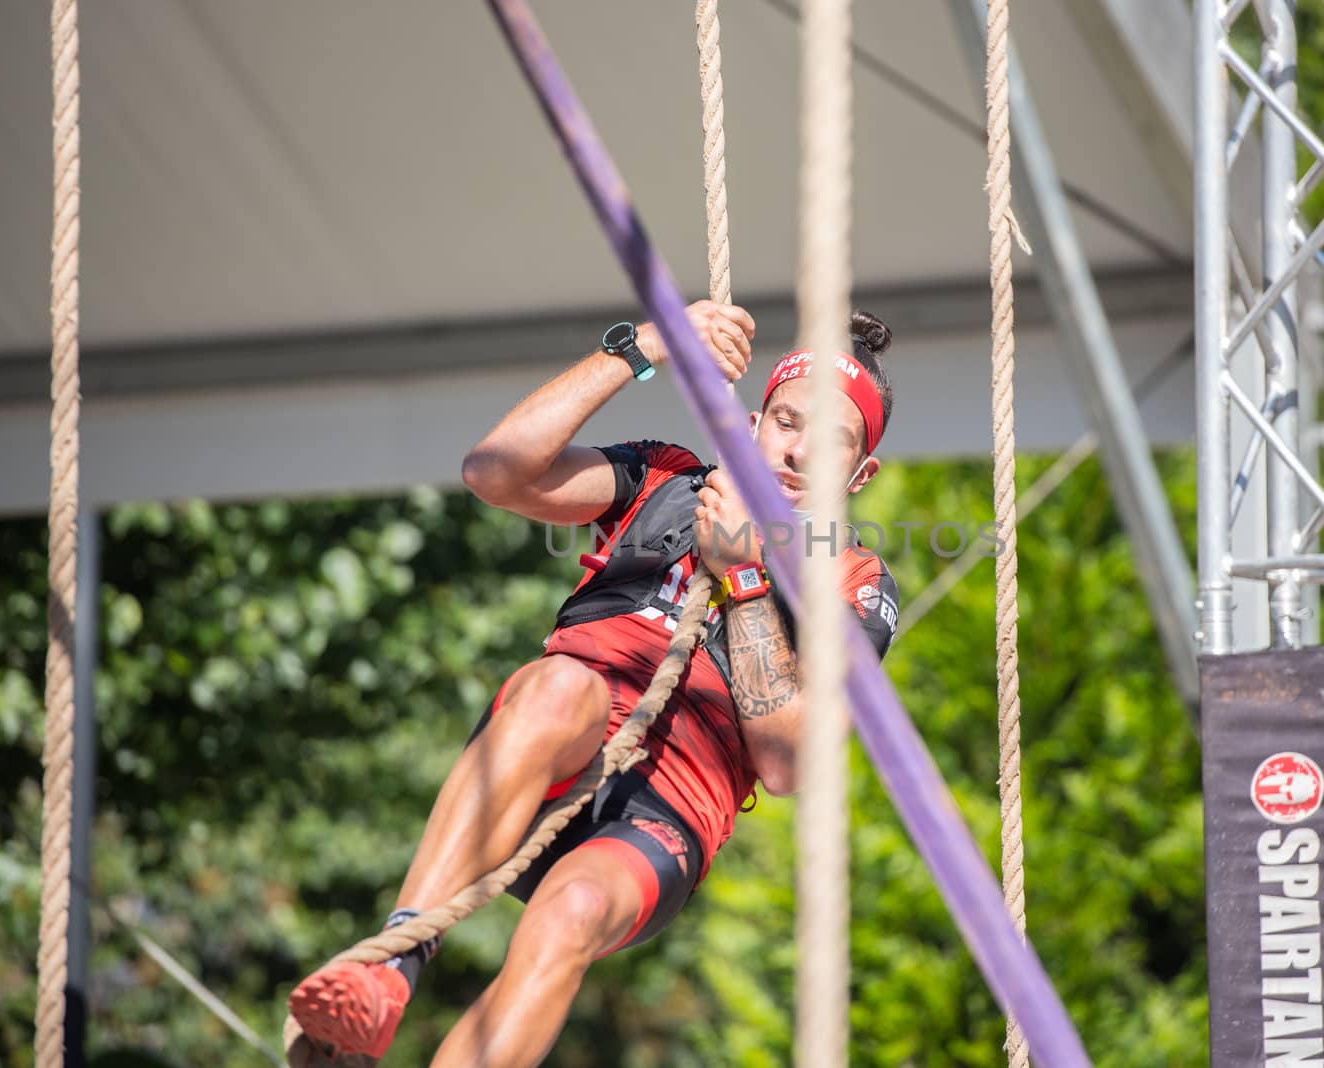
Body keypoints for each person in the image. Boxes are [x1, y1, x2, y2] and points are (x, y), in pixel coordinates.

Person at [289, 300, 902, 1067]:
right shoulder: (666, 479)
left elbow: (785, 765)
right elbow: (496, 471)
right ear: (751, 424)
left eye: (833, 439)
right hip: (560, 741)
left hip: (668, 811)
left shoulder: (854, 580)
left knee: (570, 913)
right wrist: (647, 345)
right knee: (560, 690)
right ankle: (391, 967)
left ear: (860, 472)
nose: (801, 450)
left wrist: (742, 574)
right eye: (787, 420)